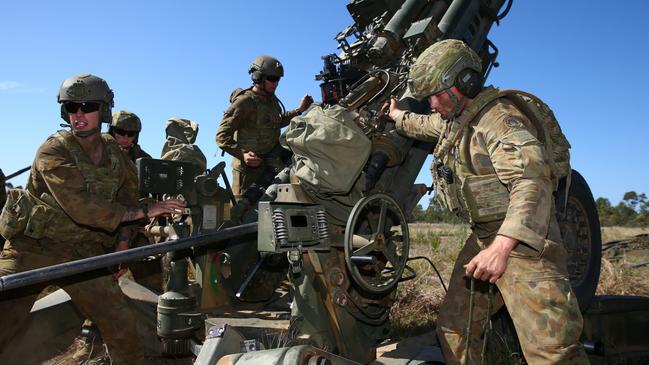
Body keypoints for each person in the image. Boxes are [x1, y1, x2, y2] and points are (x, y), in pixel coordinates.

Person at [389, 40, 588, 364]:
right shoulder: (457, 119)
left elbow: (531, 182)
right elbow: (423, 124)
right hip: (485, 237)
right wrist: (398, 114)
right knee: (455, 329)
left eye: (437, 94)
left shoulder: (500, 120)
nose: (433, 103)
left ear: (465, 82)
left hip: (525, 244)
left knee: (551, 351)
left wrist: (501, 248)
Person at [0, 74, 185, 365]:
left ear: (104, 110)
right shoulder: (53, 150)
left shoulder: (114, 153)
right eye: (71, 107)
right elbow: (83, 208)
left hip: (80, 255)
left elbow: (129, 198)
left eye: (87, 106)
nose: (78, 114)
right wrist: (143, 212)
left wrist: (123, 243)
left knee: (121, 322)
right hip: (32, 249)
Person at [216, 55, 313, 199]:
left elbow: (276, 122)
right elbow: (221, 136)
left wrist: (299, 110)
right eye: (272, 79)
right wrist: (242, 154)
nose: (276, 83)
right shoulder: (244, 102)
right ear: (258, 77)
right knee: (243, 215)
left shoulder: (272, 101)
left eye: (278, 79)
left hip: (269, 168)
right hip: (246, 172)